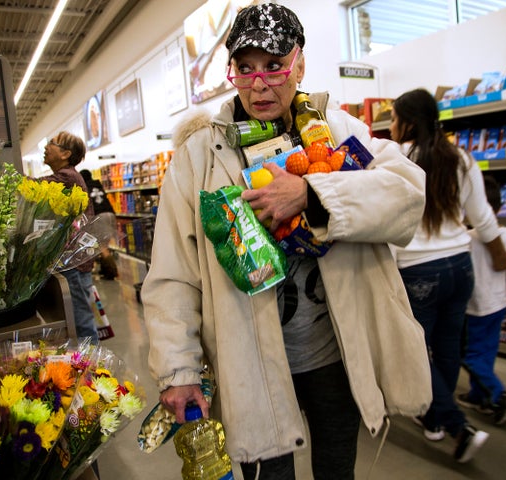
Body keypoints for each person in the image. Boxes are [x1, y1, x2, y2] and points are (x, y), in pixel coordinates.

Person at [141, 4, 431, 479]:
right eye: (246, 69)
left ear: (299, 63)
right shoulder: (199, 157)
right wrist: (178, 370)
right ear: (230, 72)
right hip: (247, 365)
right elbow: (173, 274)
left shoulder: (336, 131)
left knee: (337, 470)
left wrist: (313, 193)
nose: (259, 84)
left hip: (332, 355)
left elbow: (406, 194)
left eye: (274, 66)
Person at [390, 88, 506, 463]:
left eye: (394, 119)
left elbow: (388, 223)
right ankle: (433, 418)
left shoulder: (397, 160)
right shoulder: (461, 158)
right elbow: (483, 218)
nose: (391, 127)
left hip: (418, 272)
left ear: (408, 122)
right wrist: (500, 253)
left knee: (415, 354)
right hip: (461, 267)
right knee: (446, 348)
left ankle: (457, 427)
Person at [457, 174, 506, 424]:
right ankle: (478, 395)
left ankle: (498, 394)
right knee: (487, 352)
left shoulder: (468, 238)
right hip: (499, 303)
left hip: (477, 308)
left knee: (468, 354)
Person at [40, 132, 99, 343]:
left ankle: (95, 369)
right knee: (80, 317)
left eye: (51, 143)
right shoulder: (69, 175)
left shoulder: (67, 176)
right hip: (76, 260)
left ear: (65, 154)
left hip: (73, 261)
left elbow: (33, 187)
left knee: (82, 321)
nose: (46, 147)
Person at [80, 169, 119, 280]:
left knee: (102, 247)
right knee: (104, 244)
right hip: (110, 214)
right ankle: (105, 268)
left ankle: (111, 271)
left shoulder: (84, 187)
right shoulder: (97, 184)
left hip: (99, 216)